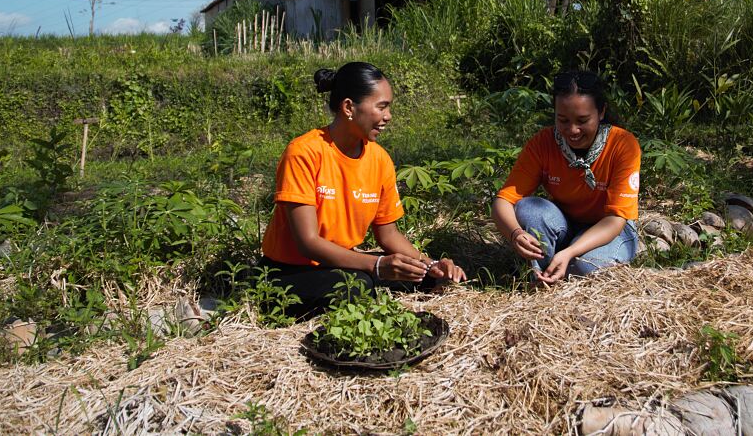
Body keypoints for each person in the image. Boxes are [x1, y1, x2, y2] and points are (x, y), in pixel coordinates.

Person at [260, 61, 466, 317]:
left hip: (343, 264)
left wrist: (430, 264)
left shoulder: (379, 159)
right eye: (382, 106)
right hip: (290, 271)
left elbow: (388, 235)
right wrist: (376, 265)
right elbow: (308, 243)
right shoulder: (304, 153)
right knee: (359, 285)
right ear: (349, 107)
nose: (388, 116)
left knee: (418, 276)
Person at [492, 69, 641, 285]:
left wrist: (570, 252)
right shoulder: (543, 144)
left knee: (585, 267)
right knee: (529, 209)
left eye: (582, 120)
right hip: (566, 225)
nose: (572, 130)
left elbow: (615, 220)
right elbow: (503, 202)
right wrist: (515, 234)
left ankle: (562, 264)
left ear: (601, 112)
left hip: (610, 230)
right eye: (563, 120)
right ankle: (540, 275)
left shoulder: (623, 145)